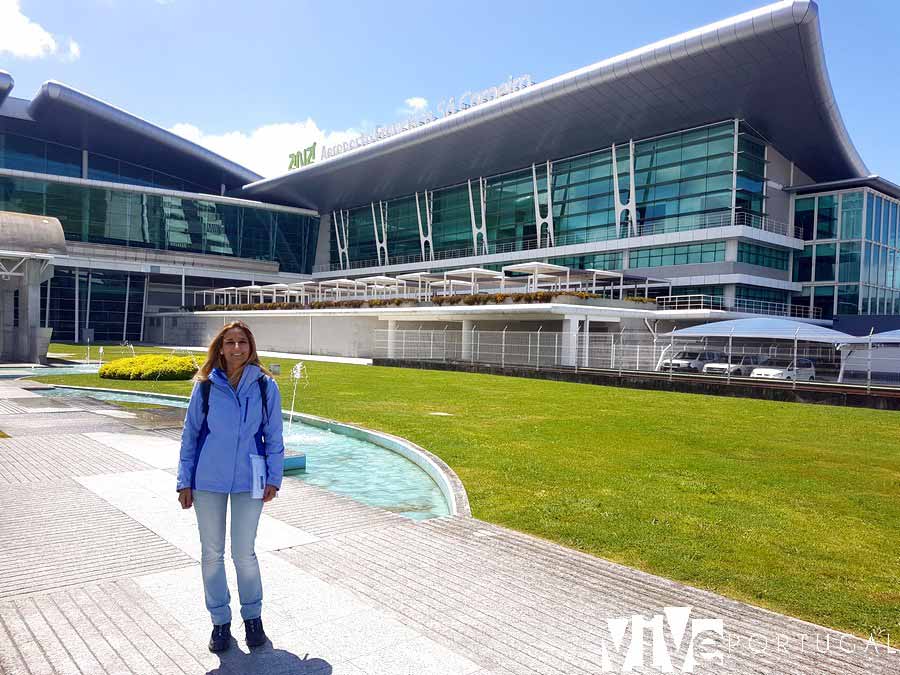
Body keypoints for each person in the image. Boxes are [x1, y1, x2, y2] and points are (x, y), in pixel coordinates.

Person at [176, 320, 284, 653]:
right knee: (211, 555)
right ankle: (220, 623)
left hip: (249, 481)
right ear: (220, 348)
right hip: (207, 481)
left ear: (251, 347)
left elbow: (274, 437)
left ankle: (253, 619)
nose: (237, 348)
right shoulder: (206, 386)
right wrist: (185, 481)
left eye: (243, 342)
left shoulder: (266, 386)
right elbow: (190, 435)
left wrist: (274, 477)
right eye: (230, 342)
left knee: (244, 554)